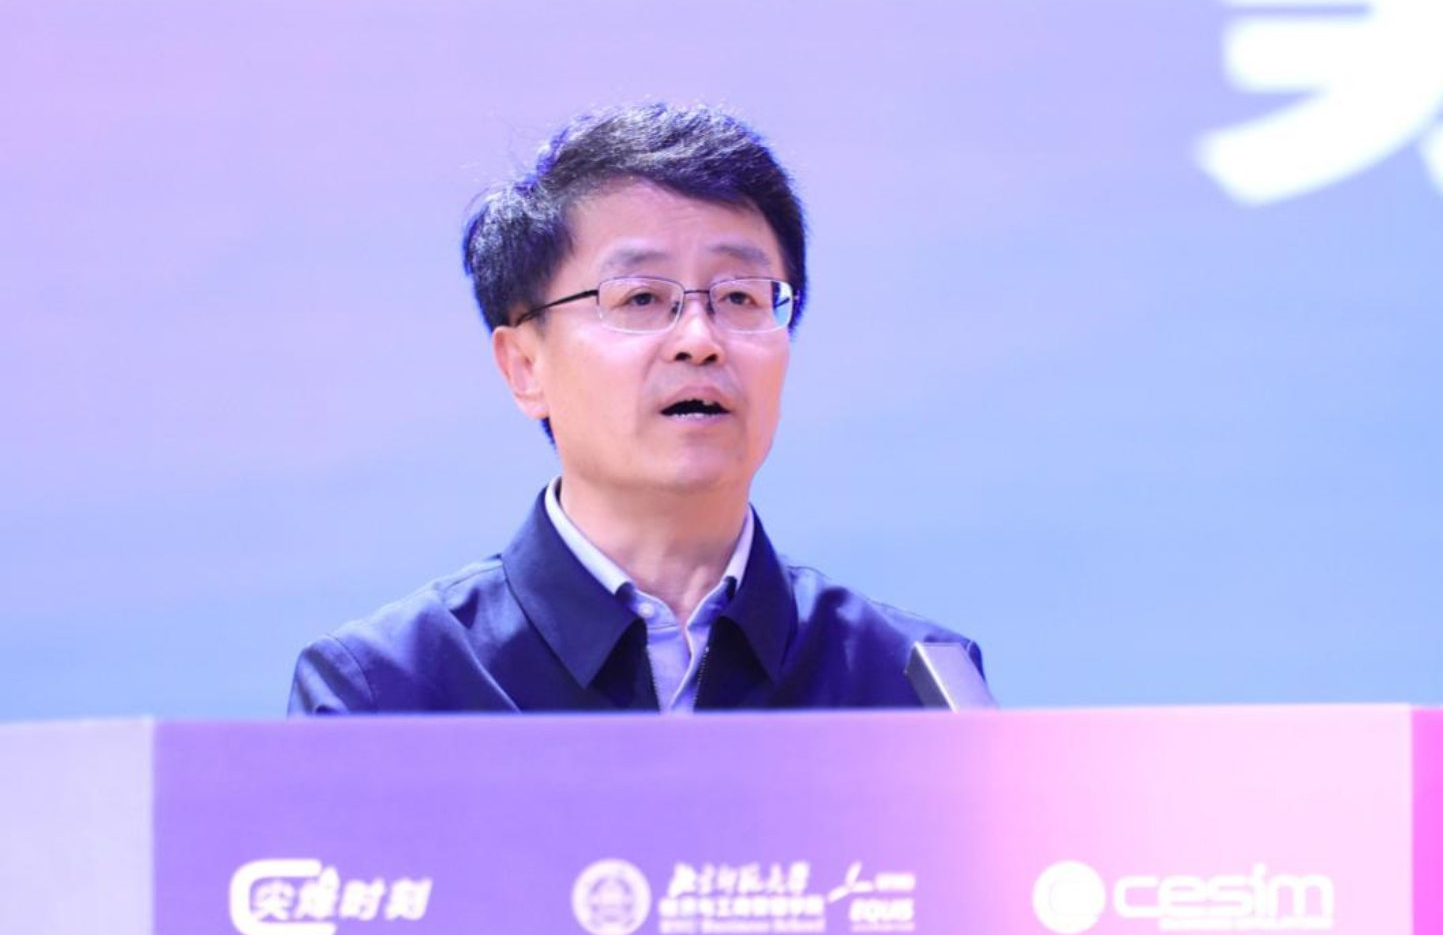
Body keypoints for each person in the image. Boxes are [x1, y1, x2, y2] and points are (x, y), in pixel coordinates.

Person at [288, 103, 982, 714]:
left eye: (740, 297)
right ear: (524, 365)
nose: (700, 340)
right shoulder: (387, 691)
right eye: (642, 298)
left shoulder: (912, 686)